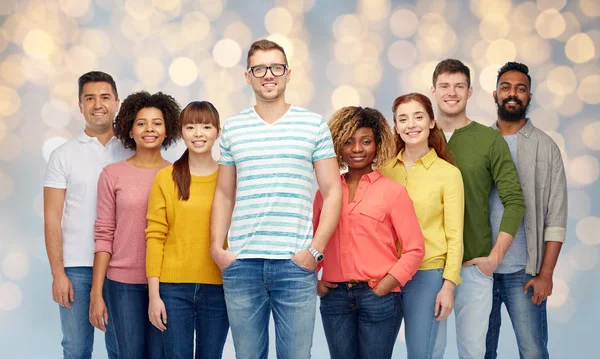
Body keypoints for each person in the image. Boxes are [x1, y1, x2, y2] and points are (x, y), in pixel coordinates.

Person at [209, 39, 342, 359]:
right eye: (259, 68)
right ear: (248, 76)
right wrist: (217, 248)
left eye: (276, 67)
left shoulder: (312, 125)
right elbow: (224, 193)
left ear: (287, 73)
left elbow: (333, 190)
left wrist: (315, 252)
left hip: (295, 265)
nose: (268, 74)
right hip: (242, 265)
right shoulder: (234, 128)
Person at [430, 59, 525, 359]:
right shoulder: (417, 136)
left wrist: (494, 258)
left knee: (473, 352)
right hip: (427, 267)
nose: (452, 93)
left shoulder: (488, 140)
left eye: (459, 86)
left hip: (473, 265)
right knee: (428, 351)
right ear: (433, 90)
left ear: (470, 92)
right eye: (444, 86)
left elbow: (515, 200)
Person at [315, 106, 425, 359]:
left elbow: (414, 248)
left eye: (366, 141)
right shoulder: (326, 192)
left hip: (378, 297)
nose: (357, 149)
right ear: (338, 146)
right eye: (348, 142)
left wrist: (387, 284)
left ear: (377, 145)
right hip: (335, 299)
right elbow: (310, 240)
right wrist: (315, 281)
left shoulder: (393, 192)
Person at [485, 62, 567, 359]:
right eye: (506, 87)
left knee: (533, 352)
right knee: (479, 352)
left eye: (520, 89)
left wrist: (546, 273)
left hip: (525, 272)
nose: (512, 94)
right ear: (495, 94)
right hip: (481, 270)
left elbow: (557, 217)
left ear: (529, 97)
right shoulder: (480, 143)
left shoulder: (546, 148)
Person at [89, 91, 180, 359]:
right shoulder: (112, 175)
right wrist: (97, 291)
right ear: (130, 128)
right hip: (122, 284)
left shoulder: (178, 175)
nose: (149, 129)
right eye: (141, 123)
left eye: (157, 122)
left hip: (167, 283)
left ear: (168, 130)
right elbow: (104, 234)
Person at [44, 71, 124, 359]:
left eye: (104, 97)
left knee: (123, 349)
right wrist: (58, 273)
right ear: (80, 105)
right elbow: (52, 218)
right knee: (76, 349)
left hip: (122, 267)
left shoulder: (132, 150)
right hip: (77, 268)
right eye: (89, 98)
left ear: (117, 101)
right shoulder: (63, 155)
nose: (97, 104)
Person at [381, 93, 464, 359]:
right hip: (383, 274)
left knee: (421, 353)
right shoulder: (383, 170)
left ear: (431, 122)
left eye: (418, 117)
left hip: (427, 275)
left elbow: (454, 235)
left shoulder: (448, 174)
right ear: (396, 127)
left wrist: (448, 286)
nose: (411, 125)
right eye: (403, 119)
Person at [145, 101, 229, 359]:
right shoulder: (165, 178)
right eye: (191, 127)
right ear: (181, 132)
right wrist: (154, 295)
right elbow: (155, 236)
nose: (198, 133)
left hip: (219, 288)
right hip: (173, 289)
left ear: (218, 131)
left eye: (206, 126)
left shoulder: (230, 178)